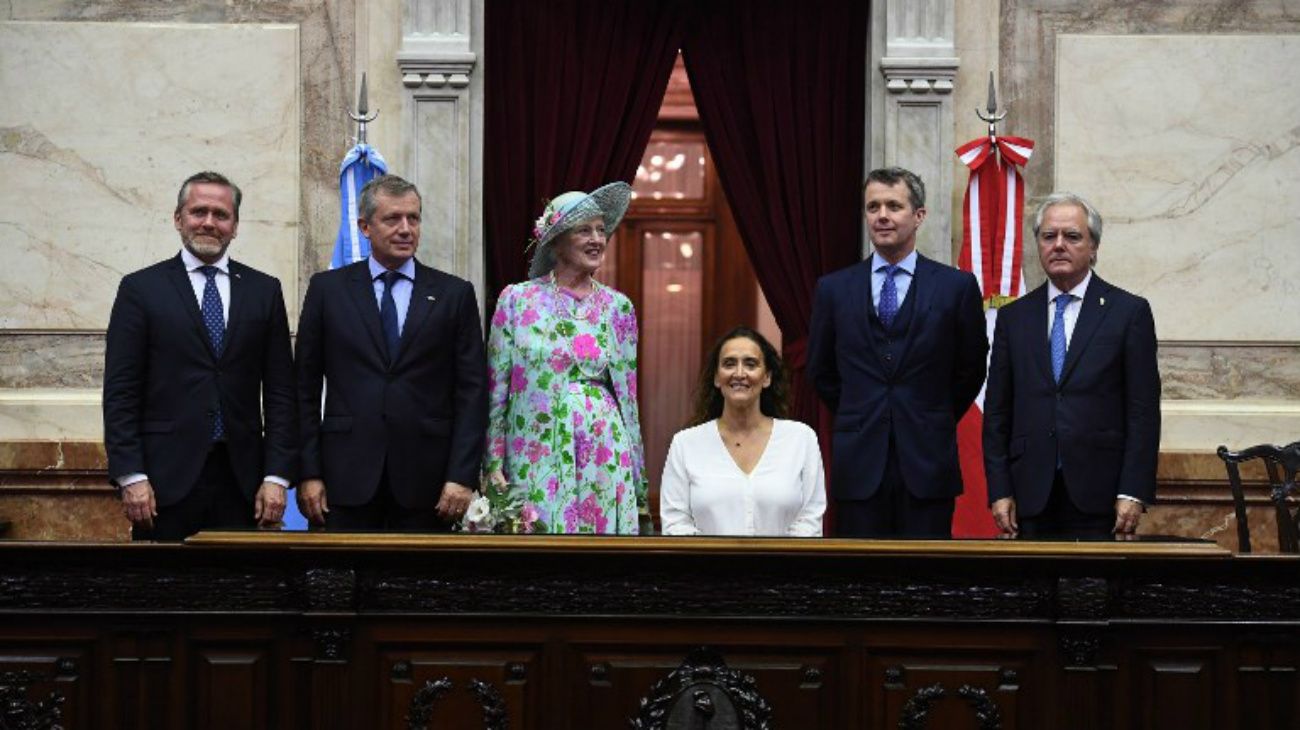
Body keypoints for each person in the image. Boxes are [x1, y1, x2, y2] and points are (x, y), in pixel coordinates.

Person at [103, 171, 296, 540]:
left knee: (241, 593)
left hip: (244, 484)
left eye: (221, 214)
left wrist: (276, 476)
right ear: (179, 219)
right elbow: (121, 391)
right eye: (199, 212)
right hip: (162, 484)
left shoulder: (264, 291)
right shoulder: (140, 289)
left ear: (235, 226)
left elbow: (280, 395)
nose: (209, 222)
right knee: (165, 592)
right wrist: (131, 475)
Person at [295, 174, 487, 530]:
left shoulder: (454, 294)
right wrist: (308, 472)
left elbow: (472, 392)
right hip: (343, 479)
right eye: (392, 219)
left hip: (429, 484)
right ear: (365, 227)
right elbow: (303, 389)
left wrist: (462, 475)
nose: (405, 229)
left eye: (413, 218)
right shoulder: (328, 290)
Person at [807, 167, 988, 538]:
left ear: (919, 215)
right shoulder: (834, 289)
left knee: (926, 580)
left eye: (894, 206)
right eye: (873, 207)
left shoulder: (956, 287)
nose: (882, 216)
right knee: (862, 583)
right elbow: (821, 370)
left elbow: (970, 369)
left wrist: (928, 412)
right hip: (859, 464)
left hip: (928, 462)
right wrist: (861, 409)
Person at [983, 193, 1160, 538]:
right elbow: (997, 412)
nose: (1059, 245)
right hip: (1028, 495)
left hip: (1103, 497)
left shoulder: (1128, 313)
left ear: (1094, 248)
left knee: (1093, 593)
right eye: (1049, 237)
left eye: (1072, 236)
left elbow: (1143, 411)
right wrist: (999, 488)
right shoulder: (1014, 317)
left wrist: (1132, 490)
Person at [483, 182, 648, 534]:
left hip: (602, 446)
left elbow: (629, 399)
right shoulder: (517, 300)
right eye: (583, 230)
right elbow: (496, 390)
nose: (597, 240)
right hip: (535, 445)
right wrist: (493, 462)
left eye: (602, 231)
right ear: (556, 241)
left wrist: (637, 475)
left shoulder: (619, 307)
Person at [660, 327, 825, 536]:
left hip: (785, 568)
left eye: (750, 364)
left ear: (767, 377)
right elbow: (676, 524)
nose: (739, 373)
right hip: (705, 568)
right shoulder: (685, 444)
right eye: (729, 364)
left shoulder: (801, 439)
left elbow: (809, 521)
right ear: (717, 378)